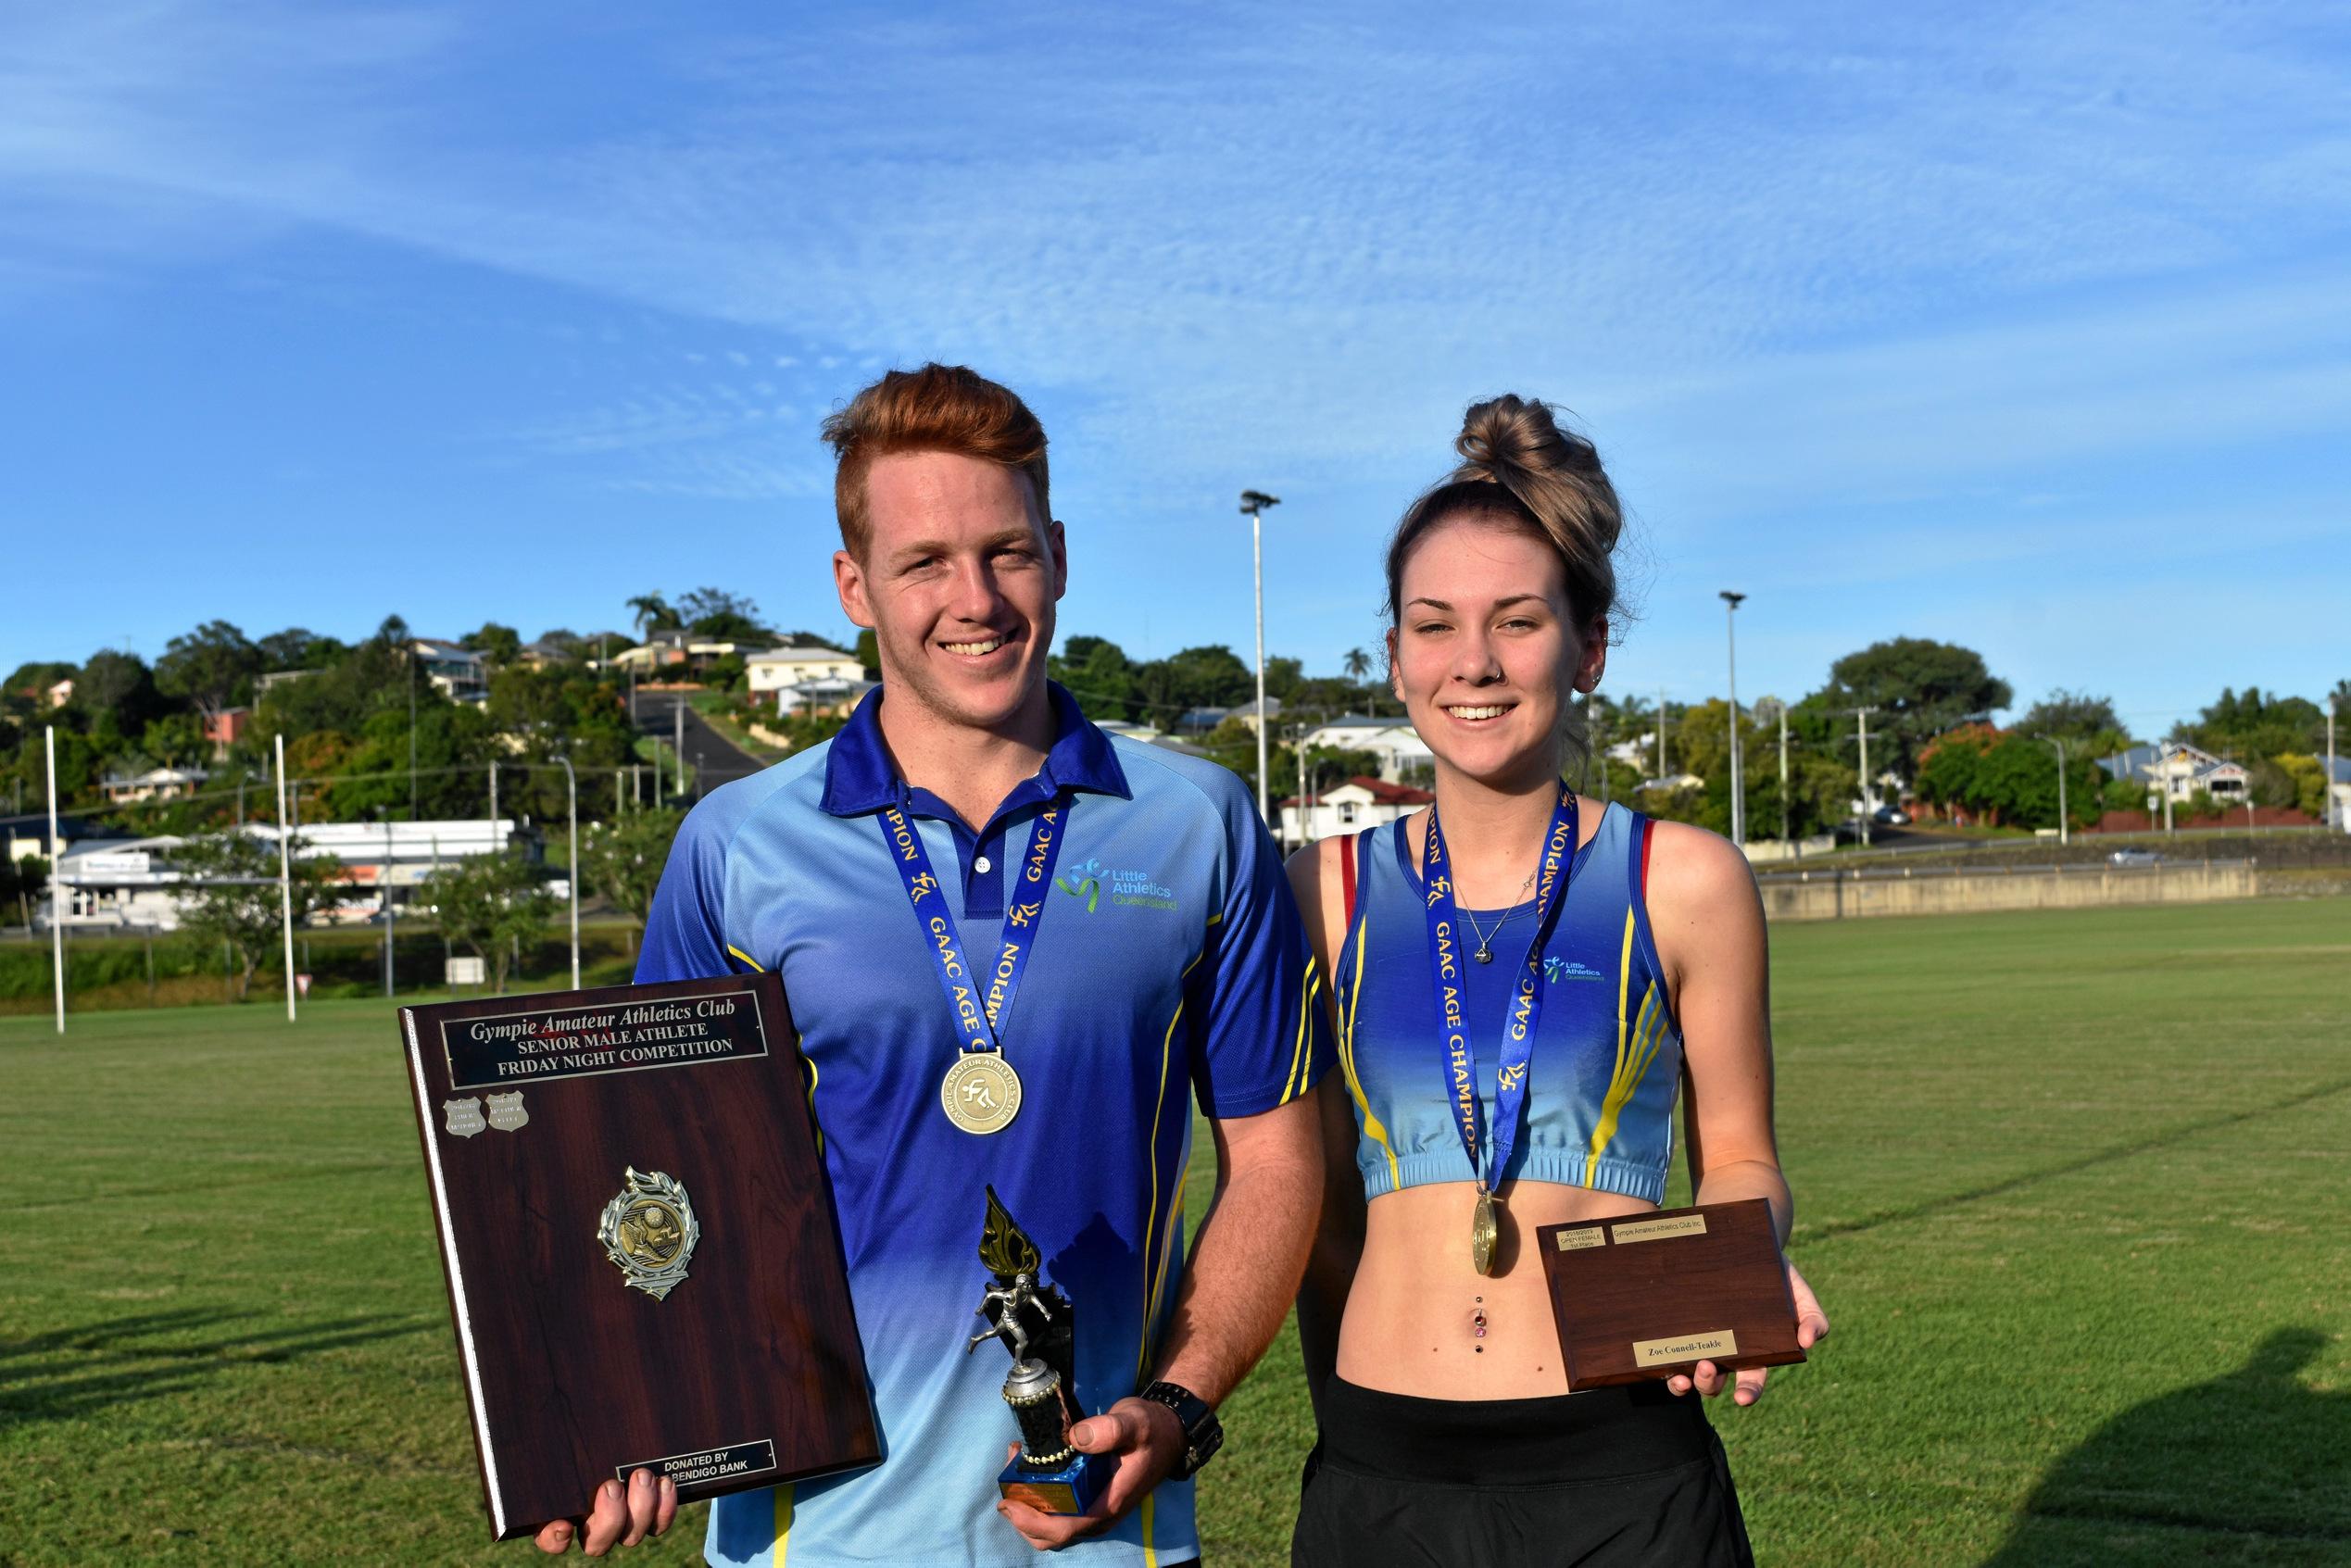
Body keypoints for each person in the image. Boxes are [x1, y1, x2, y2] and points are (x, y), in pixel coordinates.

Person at [537, 364, 1329, 1565]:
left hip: (1100, 1534)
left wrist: (1178, 1404)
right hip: (814, 1538)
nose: (976, 599)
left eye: (1006, 552)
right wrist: (627, 1413)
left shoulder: (1198, 822)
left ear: (1057, 555)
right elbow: (661, 1177)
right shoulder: (740, 844)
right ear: (855, 587)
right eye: (924, 563)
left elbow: (1275, 1158)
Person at [1288, 395, 1829, 1567]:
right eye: (1432, 625)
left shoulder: (1683, 878)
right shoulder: (1312, 893)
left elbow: (1741, 1155)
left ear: (1587, 646)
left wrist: (1746, 1256)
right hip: (1384, 1473)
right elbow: (1310, 1200)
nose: (1472, 663)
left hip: (1625, 1471)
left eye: (1517, 621)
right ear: (1392, 657)